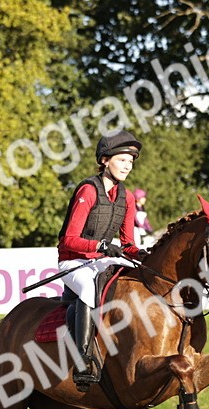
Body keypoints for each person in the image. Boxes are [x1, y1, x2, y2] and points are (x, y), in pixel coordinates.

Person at [56, 130, 148, 389]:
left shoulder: (127, 197)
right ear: (105, 160)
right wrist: (101, 245)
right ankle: (83, 357)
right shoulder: (88, 190)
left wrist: (140, 254)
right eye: (122, 161)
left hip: (101, 259)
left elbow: (128, 243)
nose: (128, 166)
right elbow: (69, 240)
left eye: (131, 162)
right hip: (73, 262)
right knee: (87, 285)